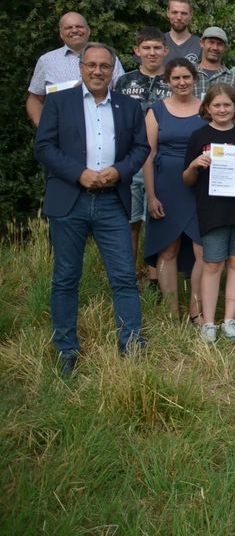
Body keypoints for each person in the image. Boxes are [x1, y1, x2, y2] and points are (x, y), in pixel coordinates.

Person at [34, 43, 149, 374]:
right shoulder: (58, 102)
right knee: (66, 277)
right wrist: (78, 173)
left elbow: (141, 147)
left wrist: (120, 171)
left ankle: (131, 345)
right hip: (70, 200)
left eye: (104, 66)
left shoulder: (128, 106)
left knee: (124, 276)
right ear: (81, 68)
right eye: (91, 65)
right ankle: (66, 349)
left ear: (113, 70)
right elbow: (43, 146)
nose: (98, 71)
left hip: (112, 200)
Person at [183, 85, 235, 343]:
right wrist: (195, 164)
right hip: (212, 209)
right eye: (216, 105)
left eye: (227, 105)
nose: (222, 109)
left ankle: (229, 320)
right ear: (207, 108)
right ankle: (208, 323)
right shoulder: (198, 136)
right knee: (213, 263)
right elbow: (187, 179)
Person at [143, 58, 207, 323]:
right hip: (166, 186)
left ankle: (196, 310)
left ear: (194, 79)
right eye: (176, 78)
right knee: (167, 249)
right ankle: (172, 313)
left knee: (202, 249)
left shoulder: (207, 109)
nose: (182, 83)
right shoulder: (156, 110)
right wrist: (151, 195)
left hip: (201, 185)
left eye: (186, 77)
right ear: (167, 81)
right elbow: (148, 155)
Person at [114, 27, 171, 290]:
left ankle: (155, 277)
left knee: (157, 220)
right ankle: (127, 274)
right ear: (137, 51)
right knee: (131, 220)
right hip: (129, 160)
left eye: (156, 47)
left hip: (163, 162)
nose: (151, 53)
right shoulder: (124, 82)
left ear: (165, 51)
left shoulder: (174, 81)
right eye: (146, 48)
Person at [26, 12, 123, 126]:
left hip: (104, 128)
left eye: (79, 26)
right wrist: (43, 127)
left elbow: (122, 94)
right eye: (68, 27)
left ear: (88, 31)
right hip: (62, 133)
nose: (75, 30)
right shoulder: (47, 61)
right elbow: (34, 99)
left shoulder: (108, 58)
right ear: (61, 34)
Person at [193, 26, 235, 101]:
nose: (215, 47)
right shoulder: (187, 74)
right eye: (211, 42)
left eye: (220, 44)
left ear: (225, 47)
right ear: (202, 43)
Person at [164, 0, 201, 64]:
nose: (179, 17)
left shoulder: (201, 45)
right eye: (174, 12)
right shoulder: (157, 43)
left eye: (184, 13)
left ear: (190, 15)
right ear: (168, 13)